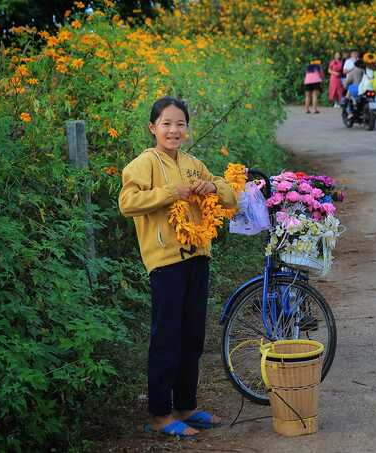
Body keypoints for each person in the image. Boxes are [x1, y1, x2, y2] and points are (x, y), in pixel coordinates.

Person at [119, 96, 237, 438]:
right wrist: (171, 192)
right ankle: (159, 414)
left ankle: (186, 406)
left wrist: (212, 186)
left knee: (192, 337)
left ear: (187, 129)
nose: (173, 130)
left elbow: (230, 196)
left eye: (180, 124)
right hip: (165, 261)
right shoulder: (143, 164)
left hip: (198, 257)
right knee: (167, 337)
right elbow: (128, 203)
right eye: (166, 124)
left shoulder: (193, 163)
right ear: (153, 128)